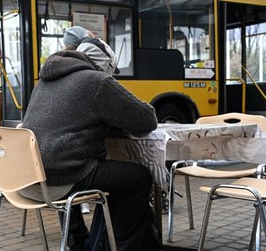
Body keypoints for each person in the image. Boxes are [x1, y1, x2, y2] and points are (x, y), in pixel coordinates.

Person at [21, 27, 161, 250]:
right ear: (105, 66)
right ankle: (124, 246)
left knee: (114, 177)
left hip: (25, 178)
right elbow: (146, 121)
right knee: (139, 178)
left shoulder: (44, 80)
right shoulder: (96, 81)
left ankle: (88, 243)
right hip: (60, 178)